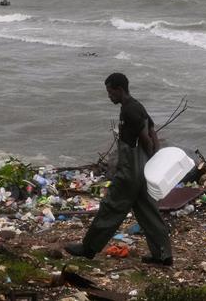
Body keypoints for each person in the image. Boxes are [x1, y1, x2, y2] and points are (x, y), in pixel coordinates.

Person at [65, 73, 173, 265]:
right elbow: (153, 132)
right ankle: (163, 255)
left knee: (111, 207)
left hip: (131, 169)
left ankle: (88, 248)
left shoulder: (129, 110)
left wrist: (147, 157)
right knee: (149, 212)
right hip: (142, 169)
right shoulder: (137, 106)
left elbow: (146, 138)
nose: (109, 96)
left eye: (109, 91)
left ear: (119, 89)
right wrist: (153, 160)